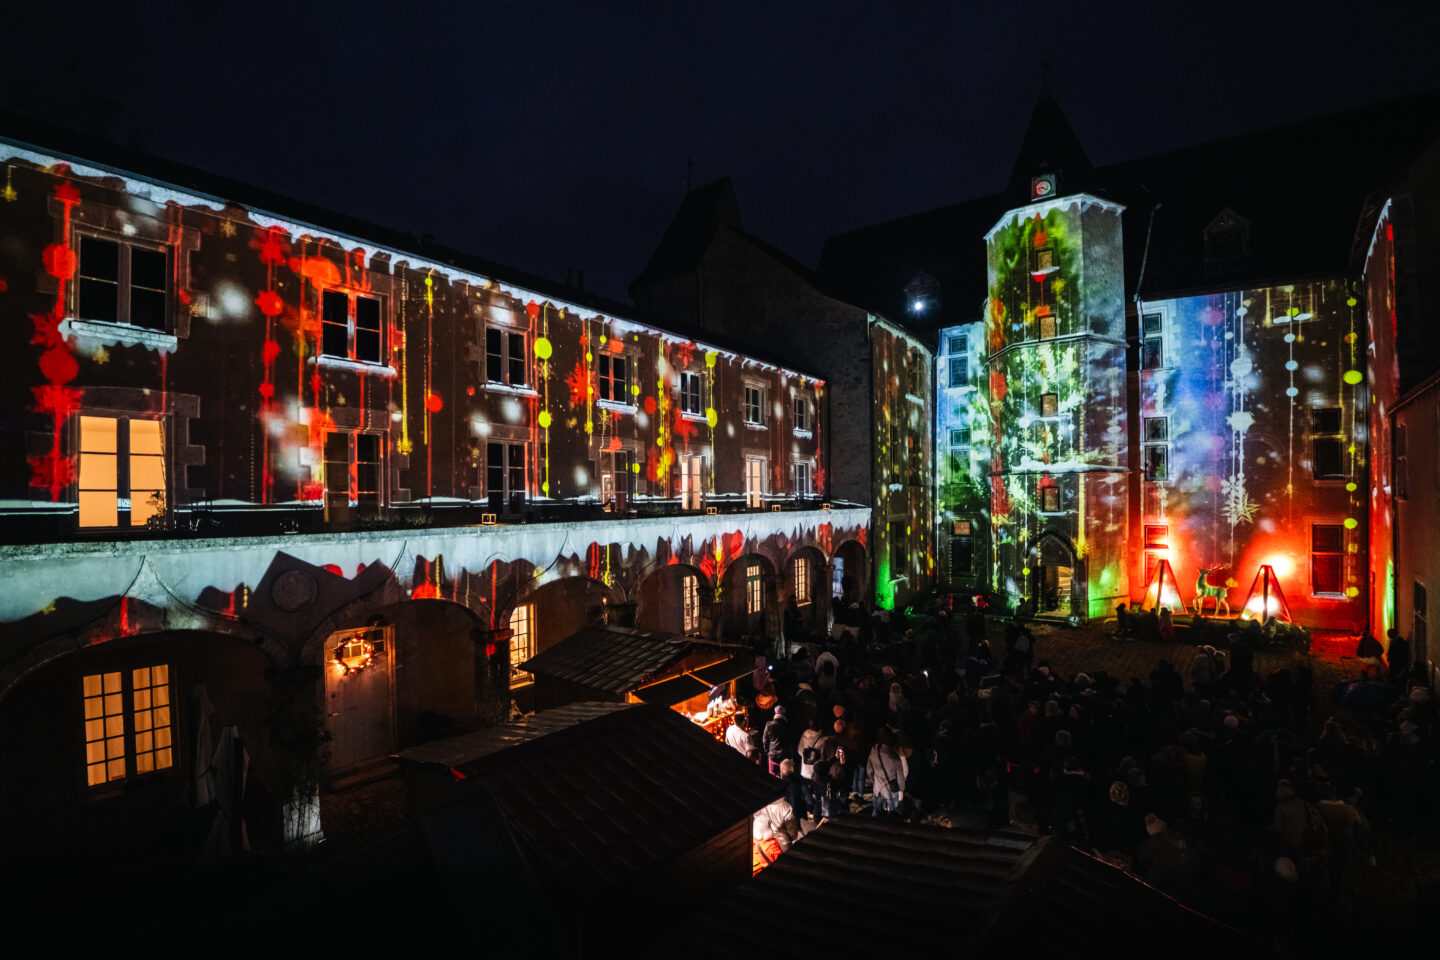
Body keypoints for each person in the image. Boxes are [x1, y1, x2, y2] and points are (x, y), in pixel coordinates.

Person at [867, 726, 908, 817]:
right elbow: (900, 777)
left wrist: (873, 780)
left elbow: (869, 769)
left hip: (877, 788)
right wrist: (901, 788)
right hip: (891, 790)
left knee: (876, 810)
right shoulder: (894, 756)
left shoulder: (874, 750)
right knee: (892, 811)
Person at [763, 704, 797, 777]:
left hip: (772, 756)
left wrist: (767, 752)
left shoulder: (768, 724)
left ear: (775, 713)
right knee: (784, 776)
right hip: (785, 756)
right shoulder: (787, 725)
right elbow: (791, 742)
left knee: (772, 776)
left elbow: (765, 740)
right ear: (784, 714)